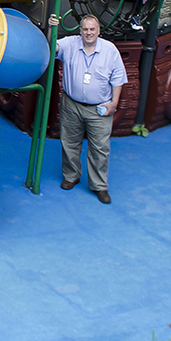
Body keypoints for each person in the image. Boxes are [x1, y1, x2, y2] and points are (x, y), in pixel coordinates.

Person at [48, 13, 127, 204]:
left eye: (92, 29)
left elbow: (118, 78)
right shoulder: (70, 43)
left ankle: (99, 186)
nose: (88, 32)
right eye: (85, 29)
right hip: (72, 105)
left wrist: (114, 103)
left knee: (100, 148)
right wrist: (51, 28)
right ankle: (71, 176)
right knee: (69, 142)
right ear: (80, 31)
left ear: (99, 31)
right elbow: (50, 48)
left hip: (99, 108)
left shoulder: (110, 50)